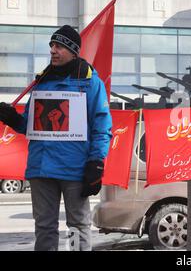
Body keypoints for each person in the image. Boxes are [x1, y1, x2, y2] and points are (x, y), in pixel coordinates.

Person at [0, 25, 112, 251]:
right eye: (51, 45)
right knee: (44, 227)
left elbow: (102, 127)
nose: (53, 50)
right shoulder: (41, 83)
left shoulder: (90, 83)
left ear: (73, 51)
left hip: (75, 169)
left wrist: (96, 162)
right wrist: (12, 118)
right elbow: (32, 126)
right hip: (41, 168)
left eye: (59, 46)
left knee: (78, 227)